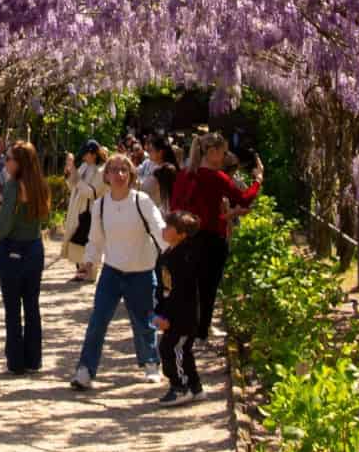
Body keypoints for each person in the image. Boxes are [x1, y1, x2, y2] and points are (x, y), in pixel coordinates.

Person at [69, 153, 166, 391]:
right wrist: (89, 261)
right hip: (112, 272)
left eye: (124, 170)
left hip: (141, 272)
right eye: (114, 170)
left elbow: (159, 229)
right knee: (98, 320)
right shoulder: (101, 205)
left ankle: (151, 363)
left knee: (145, 321)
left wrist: (172, 256)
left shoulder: (141, 201)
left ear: (131, 175)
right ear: (107, 175)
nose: (119, 175)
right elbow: (95, 239)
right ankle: (85, 370)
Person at [179, 132, 263, 340]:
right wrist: (258, 181)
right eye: (222, 151)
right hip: (213, 238)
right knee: (209, 286)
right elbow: (244, 199)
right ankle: (202, 330)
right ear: (213, 152)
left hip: (189, 236)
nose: (224, 156)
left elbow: (176, 205)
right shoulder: (217, 177)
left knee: (193, 283)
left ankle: (188, 325)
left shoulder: (187, 173)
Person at [0, 140, 50, 373]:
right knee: (32, 305)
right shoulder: (41, 186)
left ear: (20, 162)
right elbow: (44, 220)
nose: (5, 162)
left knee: (13, 307)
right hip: (34, 248)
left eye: (9, 158)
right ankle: (34, 359)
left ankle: (16, 361)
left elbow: (3, 227)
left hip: (12, 250)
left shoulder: (13, 186)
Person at [153, 210, 208, 403]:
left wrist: (167, 317)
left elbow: (180, 292)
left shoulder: (183, 258)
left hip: (182, 316)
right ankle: (195, 386)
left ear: (182, 234)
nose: (164, 229)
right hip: (172, 313)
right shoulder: (168, 253)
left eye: (169, 227)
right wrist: (159, 310)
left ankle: (180, 386)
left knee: (170, 348)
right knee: (183, 351)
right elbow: (164, 287)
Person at [59, 140, 105, 281]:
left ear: (93, 154)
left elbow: (92, 193)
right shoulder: (85, 166)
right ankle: (81, 271)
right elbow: (73, 185)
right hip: (78, 209)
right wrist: (70, 170)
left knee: (89, 242)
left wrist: (76, 179)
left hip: (91, 212)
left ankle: (90, 274)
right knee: (78, 241)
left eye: (86, 154)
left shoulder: (102, 170)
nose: (83, 158)